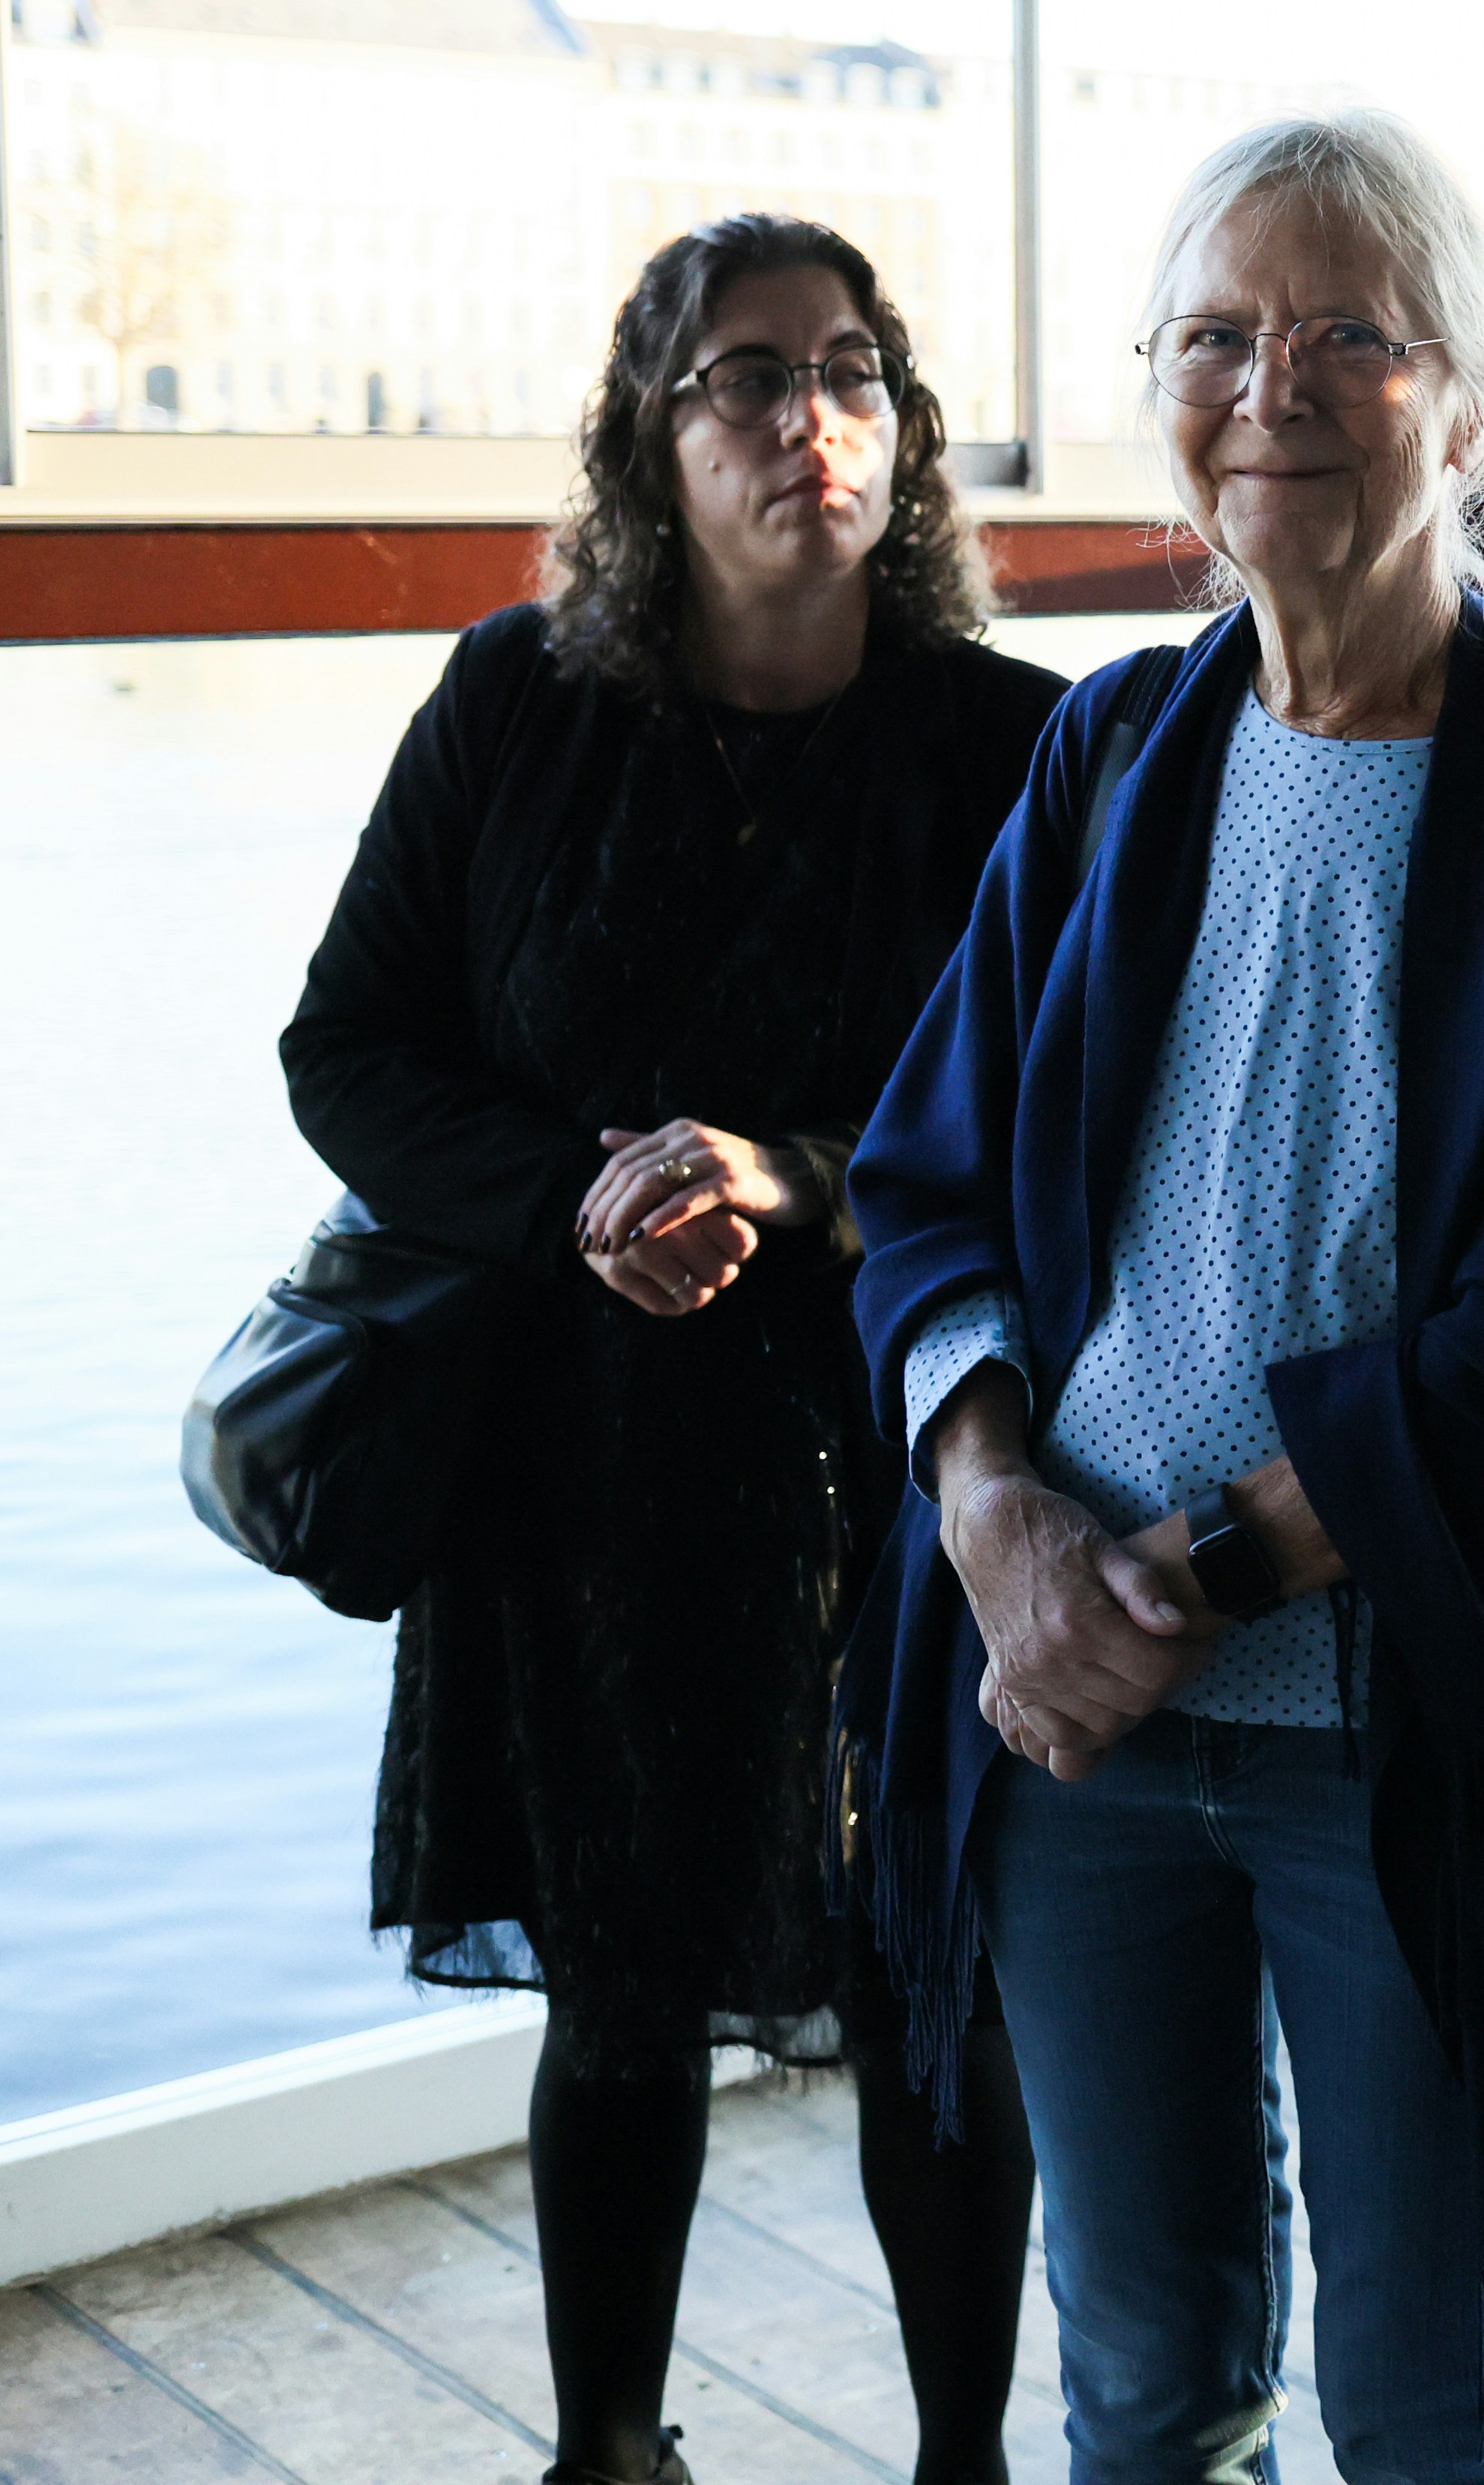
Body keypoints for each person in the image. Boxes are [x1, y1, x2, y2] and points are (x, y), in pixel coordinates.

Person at [836, 111, 1484, 2485]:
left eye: (1350, 331)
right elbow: (930, 1191)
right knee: (1146, 2383)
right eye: (1220, 334)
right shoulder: (1117, 748)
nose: (1275, 386)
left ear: (1467, 392)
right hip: (1078, 1721)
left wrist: (1196, 1563)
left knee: (1440, 2405)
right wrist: (1004, 1530)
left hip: (1398, 1714)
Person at [279, 216, 1061, 2485]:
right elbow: (349, 1048)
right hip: (577, 1469)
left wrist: (797, 1174)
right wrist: (573, 1197)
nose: (804, 417)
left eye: (850, 372)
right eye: (743, 376)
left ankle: (962, 2466)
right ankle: (605, 2455)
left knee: (936, 1986)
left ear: (904, 435)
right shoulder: (516, 703)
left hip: (903, 1453)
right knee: (615, 1995)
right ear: (652, 429)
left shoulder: (1013, 749)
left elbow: (1058, 1117)